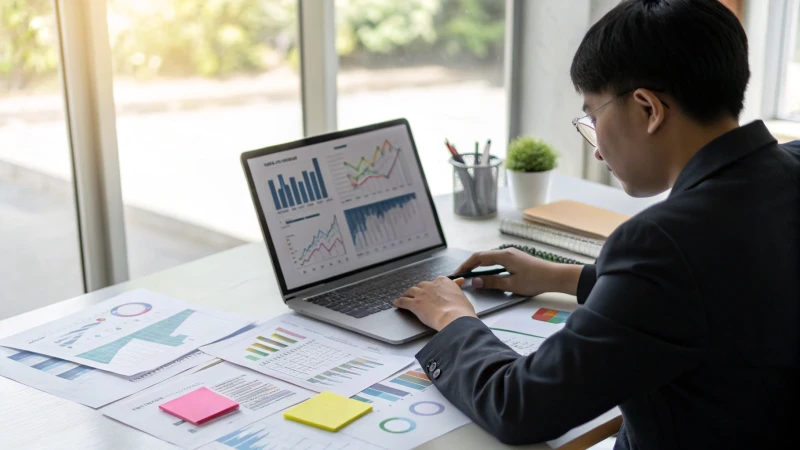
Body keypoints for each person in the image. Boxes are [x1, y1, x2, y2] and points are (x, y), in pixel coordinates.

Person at [392, 0, 800, 449]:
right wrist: (565, 277)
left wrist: (453, 318)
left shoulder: (663, 242)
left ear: (648, 109)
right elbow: (716, 292)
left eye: (594, 115)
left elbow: (521, 406)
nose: (598, 150)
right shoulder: (787, 170)